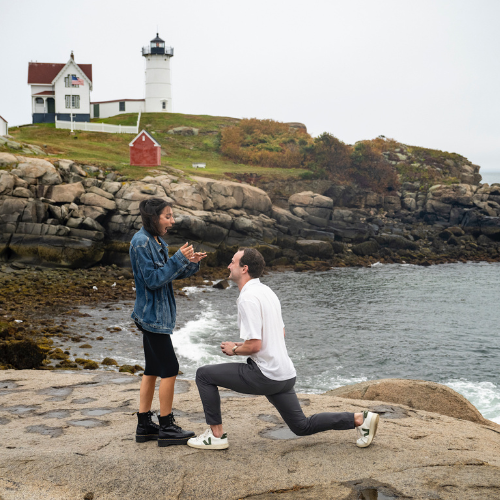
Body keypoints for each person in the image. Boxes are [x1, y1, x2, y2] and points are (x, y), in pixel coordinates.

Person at [187, 248, 379, 450]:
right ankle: (360, 419)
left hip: (265, 375)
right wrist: (240, 346)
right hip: (284, 375)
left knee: (204, 375)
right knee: (301, 426)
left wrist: (234, 349)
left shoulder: (248, 298)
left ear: (244, 268)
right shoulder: (267, 292)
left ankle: (216, 436)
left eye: (232, 262)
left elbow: (255, 345)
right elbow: (280, 333)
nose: (228, 266)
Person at [130, 198, 207, 447]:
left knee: (152, 368)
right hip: (152, 317)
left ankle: (144, 426)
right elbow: (153, 280)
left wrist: (190, 263)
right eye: (167, 216)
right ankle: (166, 426)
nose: (172, 221)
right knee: (170, 368)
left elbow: (167, 275)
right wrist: (177, 259)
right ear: (153, 218)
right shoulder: (141, 242)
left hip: (156, 316)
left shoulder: (156, 240)